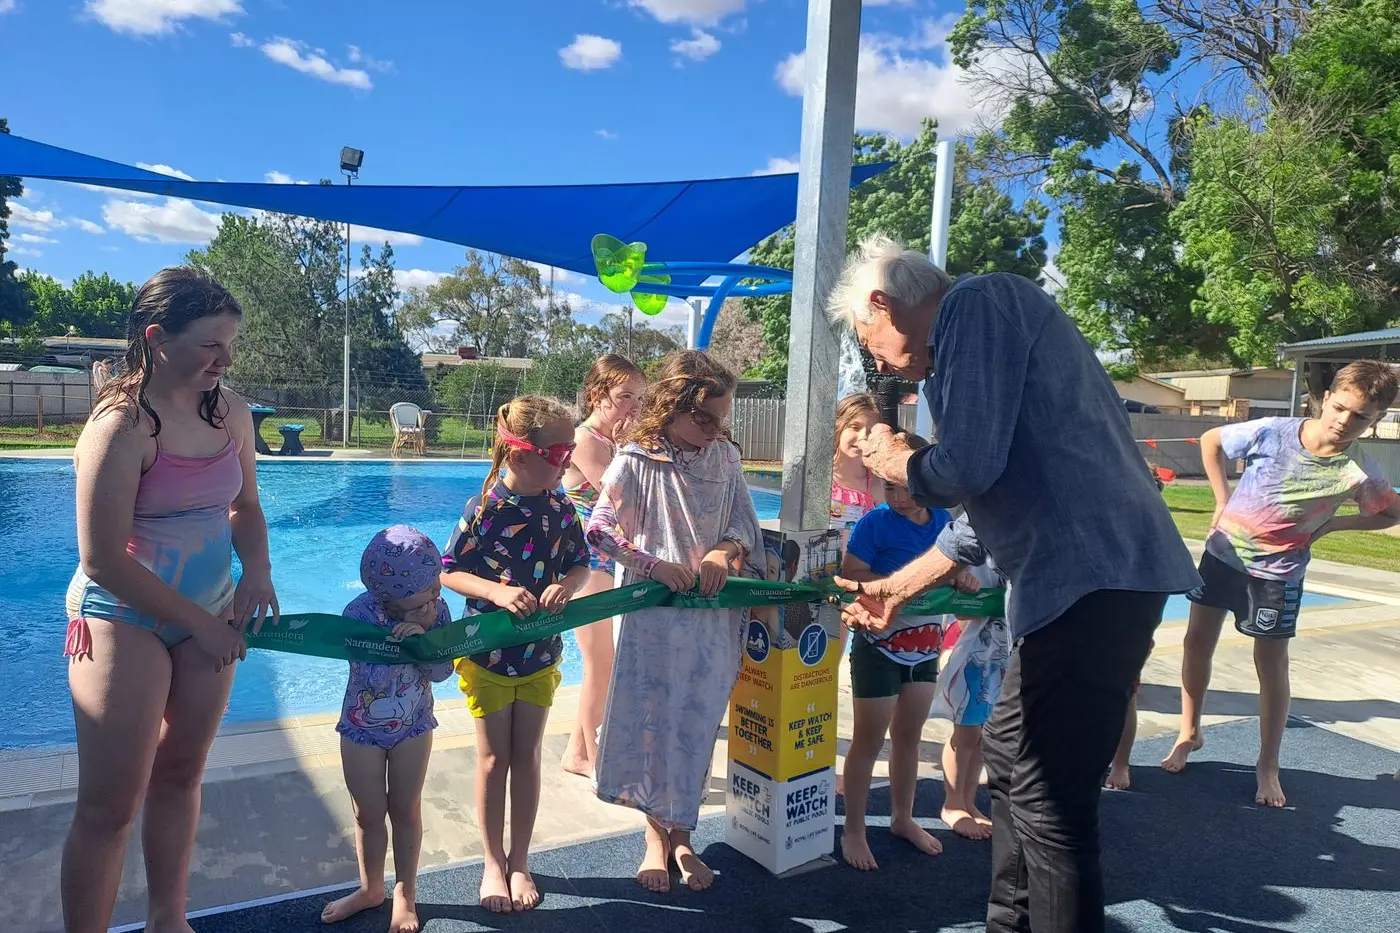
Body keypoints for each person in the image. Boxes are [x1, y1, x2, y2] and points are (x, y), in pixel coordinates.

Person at [826, 235, 1200, 933]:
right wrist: (897, 588)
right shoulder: (976, 337)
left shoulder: (978, 303)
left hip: (1090, 579)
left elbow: (963, 470)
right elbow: (977, 512)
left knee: (1049, 799)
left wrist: (899, 460)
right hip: (1087, 584)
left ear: (883, 303)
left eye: (868, 341)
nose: (878, 363)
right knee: (1008, 754)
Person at [62, 267, 278, 933]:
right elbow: (102, 558)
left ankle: (168, 920)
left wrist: (257, 570)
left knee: (181, 772)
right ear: (157, 338)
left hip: (210, 609)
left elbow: (245, 505)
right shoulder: (120, 426)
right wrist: (200, 625)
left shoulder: (228, 410)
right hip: (121, 614)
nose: (225, 359)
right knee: (110, 806)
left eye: (230, 344)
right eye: (211, 344)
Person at [1161, 361, 1400, 806]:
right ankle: (1188, 732)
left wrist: (1334, 524)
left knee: (1270, 666)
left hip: (1278, 574)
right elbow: (1212, 440)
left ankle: (1267, 764)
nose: (1344, 421)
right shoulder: (1273, 431)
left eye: (1360, 416)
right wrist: (1221, 499)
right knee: (1196, 643)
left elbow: (1391, 512)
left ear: (1377, 420)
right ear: (1325, 398)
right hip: (1223, 556)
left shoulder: (1359, 471)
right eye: (1340, 408)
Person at [586, 349, 766, 894]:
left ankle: (683, 834)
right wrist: (652, 565)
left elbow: (745, 525)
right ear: (672, 405)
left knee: (696, 723)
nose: (713, 430)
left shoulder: (724, 458)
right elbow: (599, 530)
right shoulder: (638, 459)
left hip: (711, 621)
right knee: (652, 723)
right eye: (703, 418)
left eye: (720, 418)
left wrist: (723, 552)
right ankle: (654, 837)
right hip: (653, 621)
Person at [440, 395, 593, 913]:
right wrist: (496, 592)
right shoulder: (485, 509)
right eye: (559, 453)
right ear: (520, 454)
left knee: (526, 758)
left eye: (571, 450)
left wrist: (568, 586)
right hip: (487, 655)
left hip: (541, 655)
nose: (568, 461)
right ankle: (492, 862)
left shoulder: (561, 507)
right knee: (493, 759)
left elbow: (581, 563)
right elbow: (448, 570)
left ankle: (520, 860)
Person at [320, 526, 455, 933]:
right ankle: (370, 889)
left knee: (405, 809)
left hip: (413, 725)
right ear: (393, 592)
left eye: (437, 580)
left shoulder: (436, 610)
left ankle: (405, 894)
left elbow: (442, 672)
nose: (437, 590)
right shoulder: (358, 615)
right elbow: (373, 680)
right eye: (427, 586)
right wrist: (402, 642)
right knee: (367, 813)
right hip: (361, 728)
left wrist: (424, 638)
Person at [836, 438, 953, 871]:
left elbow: (958, 565)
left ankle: (903, 818)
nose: (899, 497)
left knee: (909, 737)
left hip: (925, 647)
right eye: (889, 487)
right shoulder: (875, 523)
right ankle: (854, 829)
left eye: (907, 487)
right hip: (879, 646)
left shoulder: (944, 521)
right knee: (869, 740)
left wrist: (962, 577)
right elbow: (852, 573)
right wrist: (902, 587)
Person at [560, 353, 645, 779]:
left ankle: (578, 748)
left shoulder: (616, 441)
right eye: (625, 396)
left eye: (640, 399)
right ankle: (587, 755)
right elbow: (621, 500)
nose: (634, 407)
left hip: (612, 563)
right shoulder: (585, 439)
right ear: (597, 395)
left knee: (607, 663)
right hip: (588, 565)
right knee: (599, 662)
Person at [929, 515, 1010, 840]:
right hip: (975, 652)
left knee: (984, 734)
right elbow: (963, 610)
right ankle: (953, 802)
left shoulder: (1022, 543)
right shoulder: (976, 544)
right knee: (966, 732)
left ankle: (969, 799)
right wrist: (972, 590)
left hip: (1004, 655)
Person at [831, 392, 884, 539]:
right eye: (855, 427)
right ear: (838, 427)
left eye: (872, 431)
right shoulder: (819, 480)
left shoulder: (882, 482)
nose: (863, 437)